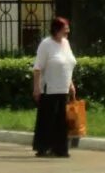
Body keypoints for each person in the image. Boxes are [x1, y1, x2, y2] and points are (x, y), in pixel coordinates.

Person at [32, 16, 77, 158]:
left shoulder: (66, 43)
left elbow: (68, 64)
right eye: (65, 30)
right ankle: (43, 147)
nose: (67, 33)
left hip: (63, 88)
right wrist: (36, 87)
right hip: (49, 88)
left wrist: (71, 84)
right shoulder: (46, 44)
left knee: (61, 121)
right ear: (56, 30)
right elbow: (38, 68)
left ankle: (60, 149)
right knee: (48, 119)